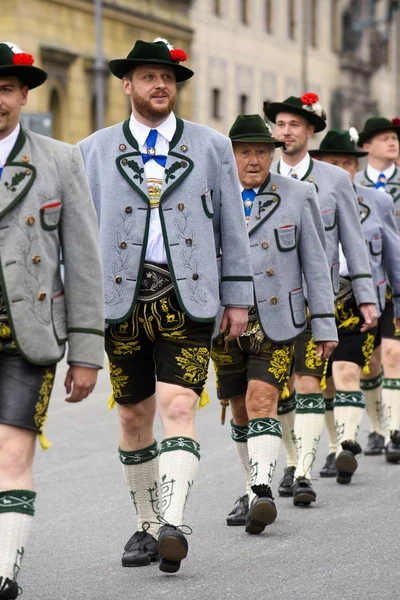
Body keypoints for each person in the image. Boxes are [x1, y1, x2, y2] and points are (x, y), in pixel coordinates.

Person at [79, 39, 253, 573]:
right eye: (149, 76)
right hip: (119, 300)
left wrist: (238, 297)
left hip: (188, 298)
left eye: (169, 77)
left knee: (179, 407)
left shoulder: (209, 146)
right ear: (126, 85)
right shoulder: (92, 149)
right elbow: (80, 236)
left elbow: (232, 224)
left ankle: (174, 521)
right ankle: (146, 526)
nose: (161, 85)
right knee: (133, 415)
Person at [0, 42, 104, 600]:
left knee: (12, 452)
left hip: (30, 335)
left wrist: (86, 352)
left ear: (22, 96)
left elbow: (85, 259)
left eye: (6, 90)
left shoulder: (60, 160)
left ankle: (4, 571)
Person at [211, 114, 337, 531]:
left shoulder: (299, 194)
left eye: (262, 152)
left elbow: (317, 266)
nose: (253, 160)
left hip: (279, 321)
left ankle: (261, 491)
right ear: (230, 156)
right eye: (245, 151)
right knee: (240, 408)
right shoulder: (211, 195)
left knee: (264, 399)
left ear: (272, 155)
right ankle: (251, 485)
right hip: (224, 322)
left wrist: (323, 326)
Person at [264, 94, 377, 504]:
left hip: (317, 297)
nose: (286, 131)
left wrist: (365, 295)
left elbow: (354, 242)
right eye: (281, 123)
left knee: (310, 380)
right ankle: (293, 459)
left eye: (295, 124)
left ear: (310, 131)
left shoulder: (334, 180)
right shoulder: (258, 173)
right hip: (269, 300)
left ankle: (306, 471)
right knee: (277, 390)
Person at [309, 128, 400, 481]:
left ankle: (385, 433)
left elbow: (392, 251)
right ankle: (336, 449)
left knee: (370, 364)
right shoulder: (307, 197)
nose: (343, 169)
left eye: (349, 163)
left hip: (372, 296)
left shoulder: (376, 200)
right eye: (335, 163)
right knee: (328, 380)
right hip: (323, 297)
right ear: (321, 165)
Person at [354, 117, 400, 461]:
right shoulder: (351, 184)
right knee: (370, 362)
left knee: (393, 355)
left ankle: (395, 430)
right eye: (385, 138)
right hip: (365, 280)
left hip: (394, 279)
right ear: (366, 146)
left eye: (395, 138)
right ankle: (375, 427)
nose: (393, 143)